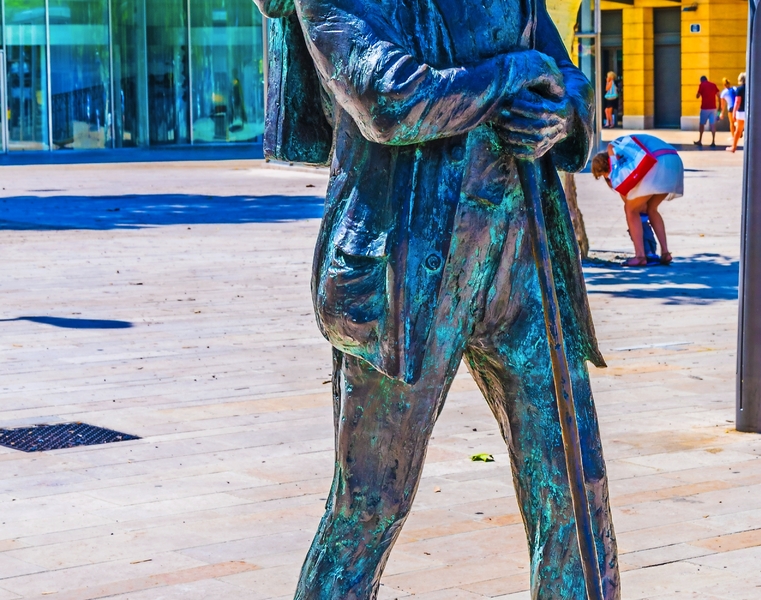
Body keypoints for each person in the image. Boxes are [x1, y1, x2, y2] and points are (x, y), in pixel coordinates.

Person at [252, 0, 622, 598]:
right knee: (370, 507)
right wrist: (511, 75)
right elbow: (386, 98)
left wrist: (564, 115)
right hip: (404, 273)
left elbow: (566, 75)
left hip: (521, 256)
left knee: (576, 484)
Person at [591, 134, 683, 267]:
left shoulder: (613, 151)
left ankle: (640, 256)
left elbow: (627, 197)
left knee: (630, 210)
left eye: (604, 176)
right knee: (652, 209)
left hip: (657, 161)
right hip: (673, 159)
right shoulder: (627, 158)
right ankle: (665, 253)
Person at [694, 75, 720, 146]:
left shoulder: (701, 85)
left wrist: (698, 94)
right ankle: (713, 141)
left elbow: (698, 96)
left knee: (702, 124)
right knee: (713, 124)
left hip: (705, 108)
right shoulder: (713, 85)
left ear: (701, 80)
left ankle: (700, 140)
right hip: (713, 108)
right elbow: (718, 95)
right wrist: (720, 106)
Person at [728, 72, 747, 153]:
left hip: (741, 112)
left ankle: (733, 147)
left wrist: (734, 112)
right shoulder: (752, 88)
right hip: (750, 111)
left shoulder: (739, 89)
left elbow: (737, 102)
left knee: (738, 130)